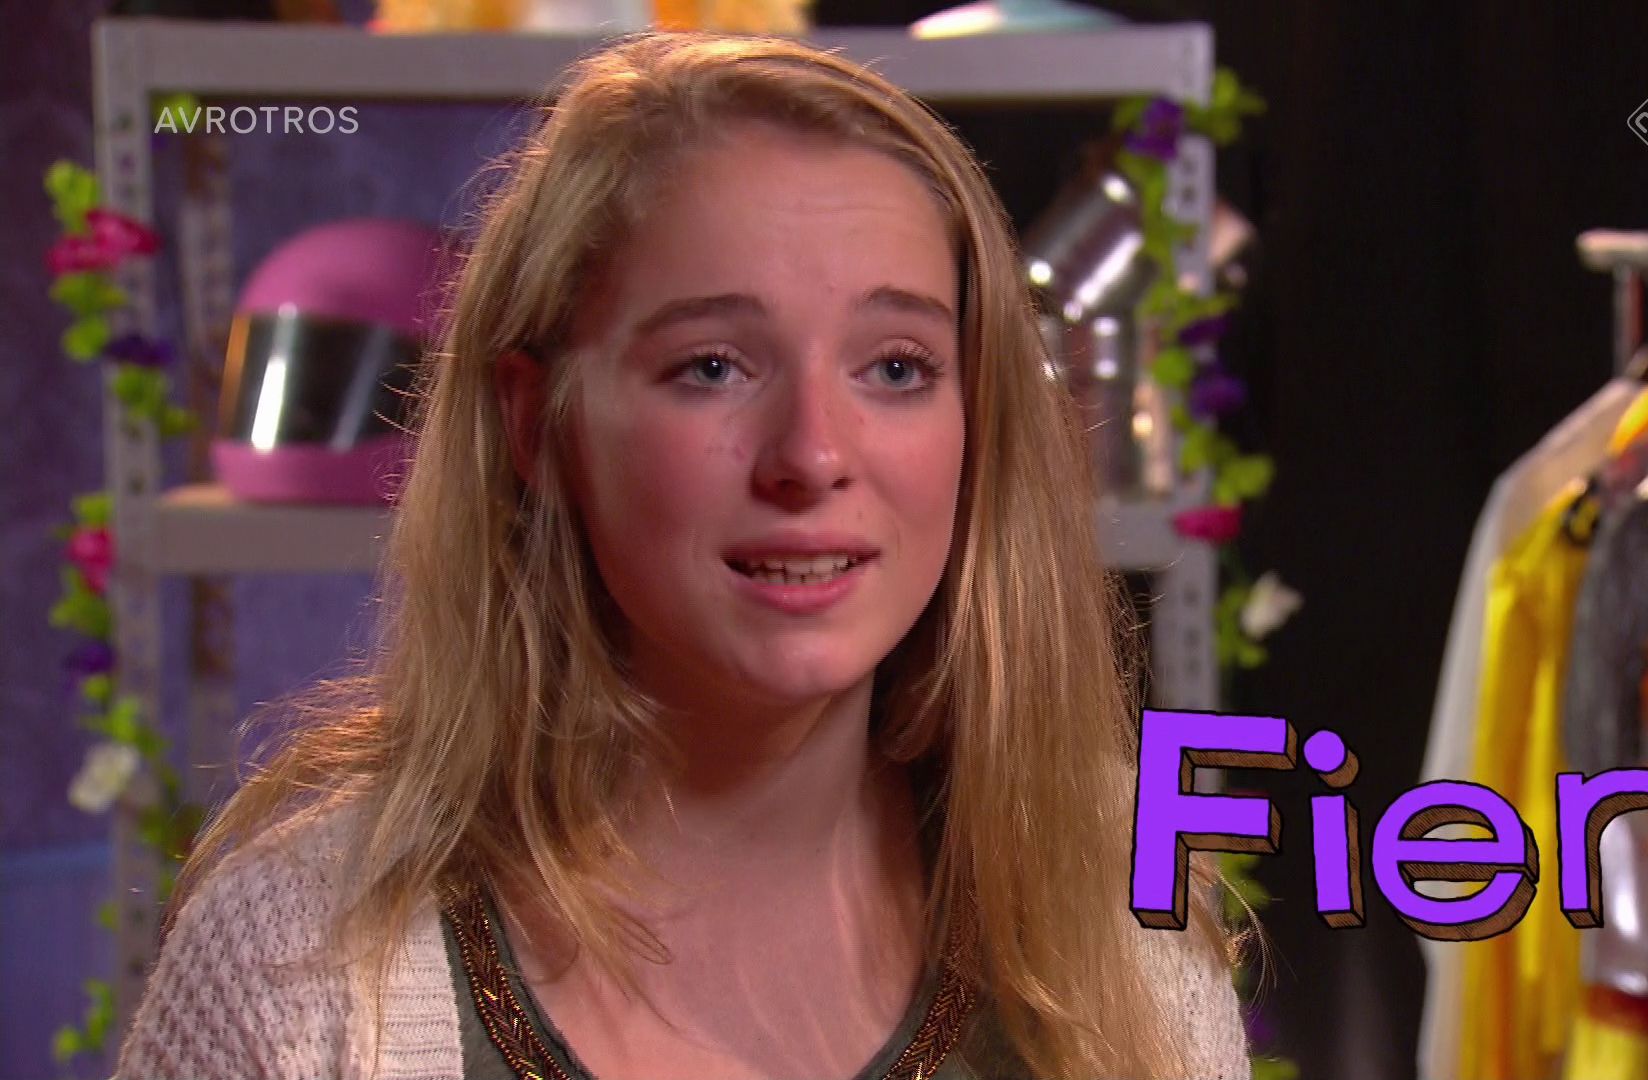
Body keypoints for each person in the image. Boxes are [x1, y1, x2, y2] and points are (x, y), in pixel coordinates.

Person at [115, 30, 1249, 1080]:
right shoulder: (296, 961)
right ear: (536, 424)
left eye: (896, 367)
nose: (812, 455)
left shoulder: (1121, 904)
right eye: (712, 366)